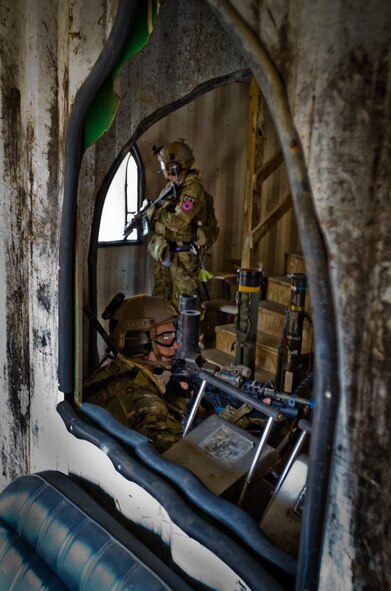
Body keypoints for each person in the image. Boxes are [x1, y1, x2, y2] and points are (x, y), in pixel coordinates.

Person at [84, 294, 188, 453]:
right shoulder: (146, 403)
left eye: (173, 335)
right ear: (139, 342)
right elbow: (180, 462)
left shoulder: (111, 373)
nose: (176, 346)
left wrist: (175, 395)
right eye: (165, 337)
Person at [146, 140, 219, 309]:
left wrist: (156, 214)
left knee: (186, 308)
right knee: (161, 303)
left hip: (183, 257)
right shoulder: (171, 187)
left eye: (166, 167)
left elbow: (178, 221)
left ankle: (192, 337)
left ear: (176, 167)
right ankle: (167, 336)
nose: (164, 173)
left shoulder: (193, 191)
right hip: (165, 252)